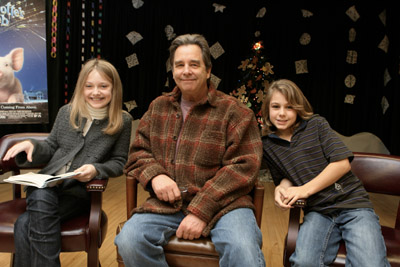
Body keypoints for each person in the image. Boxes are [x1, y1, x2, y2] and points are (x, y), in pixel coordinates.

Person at [114, 33, 265, 267]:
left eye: (194, 64)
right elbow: (138, 153)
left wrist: (200, 211)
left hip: (226, 206)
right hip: (168, 205)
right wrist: (156, 176)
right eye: (179, 65)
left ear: (207, 70)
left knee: (243, 250)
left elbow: (245, 167)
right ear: (172, 70)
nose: (186, 71)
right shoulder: (158, 108)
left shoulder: (235, 112)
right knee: (129, 240)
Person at [3, 58, 132, 267]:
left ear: (114, 88)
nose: (95, 92)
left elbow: (119, 162)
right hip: (45, 186)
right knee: (42, 193)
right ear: (81, 88)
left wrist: (95, 169)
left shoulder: (122, 121)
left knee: (25, 223)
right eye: (89, 86)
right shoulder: (66, 112)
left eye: (103, 86)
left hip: (77, 195)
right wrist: (32, 146)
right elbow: (52, 146)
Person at [261, 79, 389, 267]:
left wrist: (304, 190)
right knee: (304, 262)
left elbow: (342, 164)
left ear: (298, 108)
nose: (281, 113)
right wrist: (281, 188)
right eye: (275, 106)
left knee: (370, 263)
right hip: (318, 211)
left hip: (353, 206)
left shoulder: (316, 124)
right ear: (267, 110)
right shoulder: (269, 145)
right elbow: (285, 177)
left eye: (289, 107)